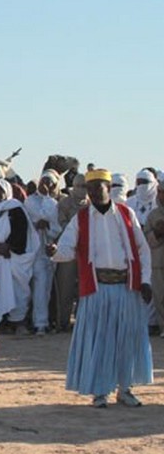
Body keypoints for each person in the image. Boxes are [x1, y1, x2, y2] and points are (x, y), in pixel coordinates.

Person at [49, 168, 152, 407]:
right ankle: (100, 391)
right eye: (90, 188)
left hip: (126, 288)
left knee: (126, 340)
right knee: (100, 342)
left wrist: (145, 280)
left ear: (109, 188)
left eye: (98, 187)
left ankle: (125, 390)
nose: (94, 192)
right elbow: (66, 248)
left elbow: (143, 249)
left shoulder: (126, 214)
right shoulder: (81, 218)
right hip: (97, 290)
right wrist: (54, 253)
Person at [0, 179, 38, 331]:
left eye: (1, 190)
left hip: (11, 257)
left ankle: (16, 321)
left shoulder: (16, 209)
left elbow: (22, 233)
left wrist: (8, 247)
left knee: (15, 288)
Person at [24, 170, 62, 334]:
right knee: (26, 288)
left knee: (42, 289)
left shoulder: (53, 204)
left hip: (44, 251)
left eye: (49, 182)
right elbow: (35, 217)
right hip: (29, 250)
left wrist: (47, 226)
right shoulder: (29, 201)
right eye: (43, 180)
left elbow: (55, 227)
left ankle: (41, 323)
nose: (45, 184)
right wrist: (39, 222)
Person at [54, 174, 87, 331]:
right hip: (68, 249)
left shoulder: (90, 204)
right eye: (80, 186)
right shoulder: (65, 203)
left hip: (85, 251)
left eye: (86, 187)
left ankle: (82, 321)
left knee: (84, 288)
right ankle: (63, 321)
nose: (83, 190)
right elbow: (61, 223)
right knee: (65, 288)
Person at [143, 173, 164, 337]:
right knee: (160, 298)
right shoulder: (153, 215)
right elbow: (146, 240)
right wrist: (157, 233)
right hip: (158, 263)